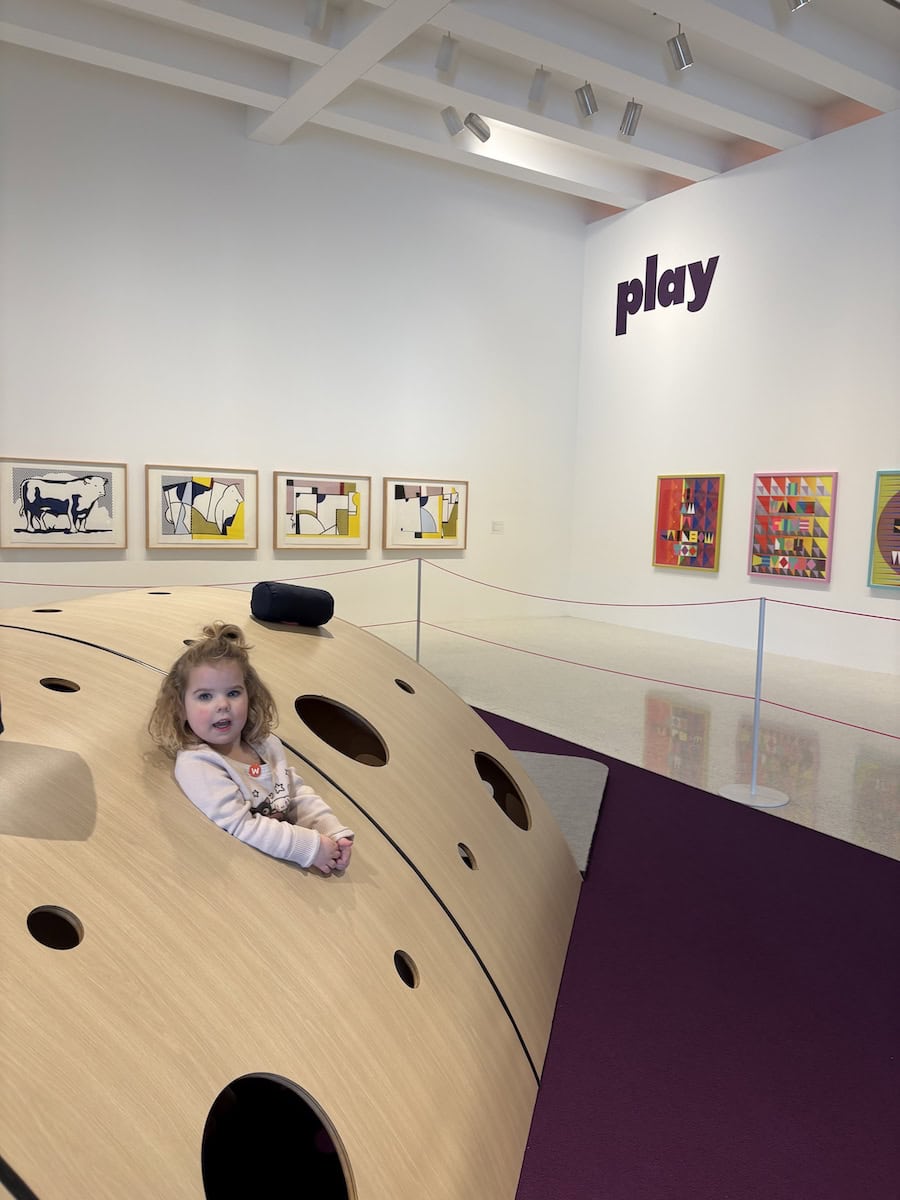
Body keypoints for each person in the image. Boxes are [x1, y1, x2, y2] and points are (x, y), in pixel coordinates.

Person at [149, 621, 353, 874]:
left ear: (250, 696)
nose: (222, 705)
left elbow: (294, 792)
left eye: (233, 693)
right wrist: (310, 847)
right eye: (205, 696)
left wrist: (331, 830)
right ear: (181, 708)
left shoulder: (265, 745)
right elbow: (242, 824)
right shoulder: (197, 764)